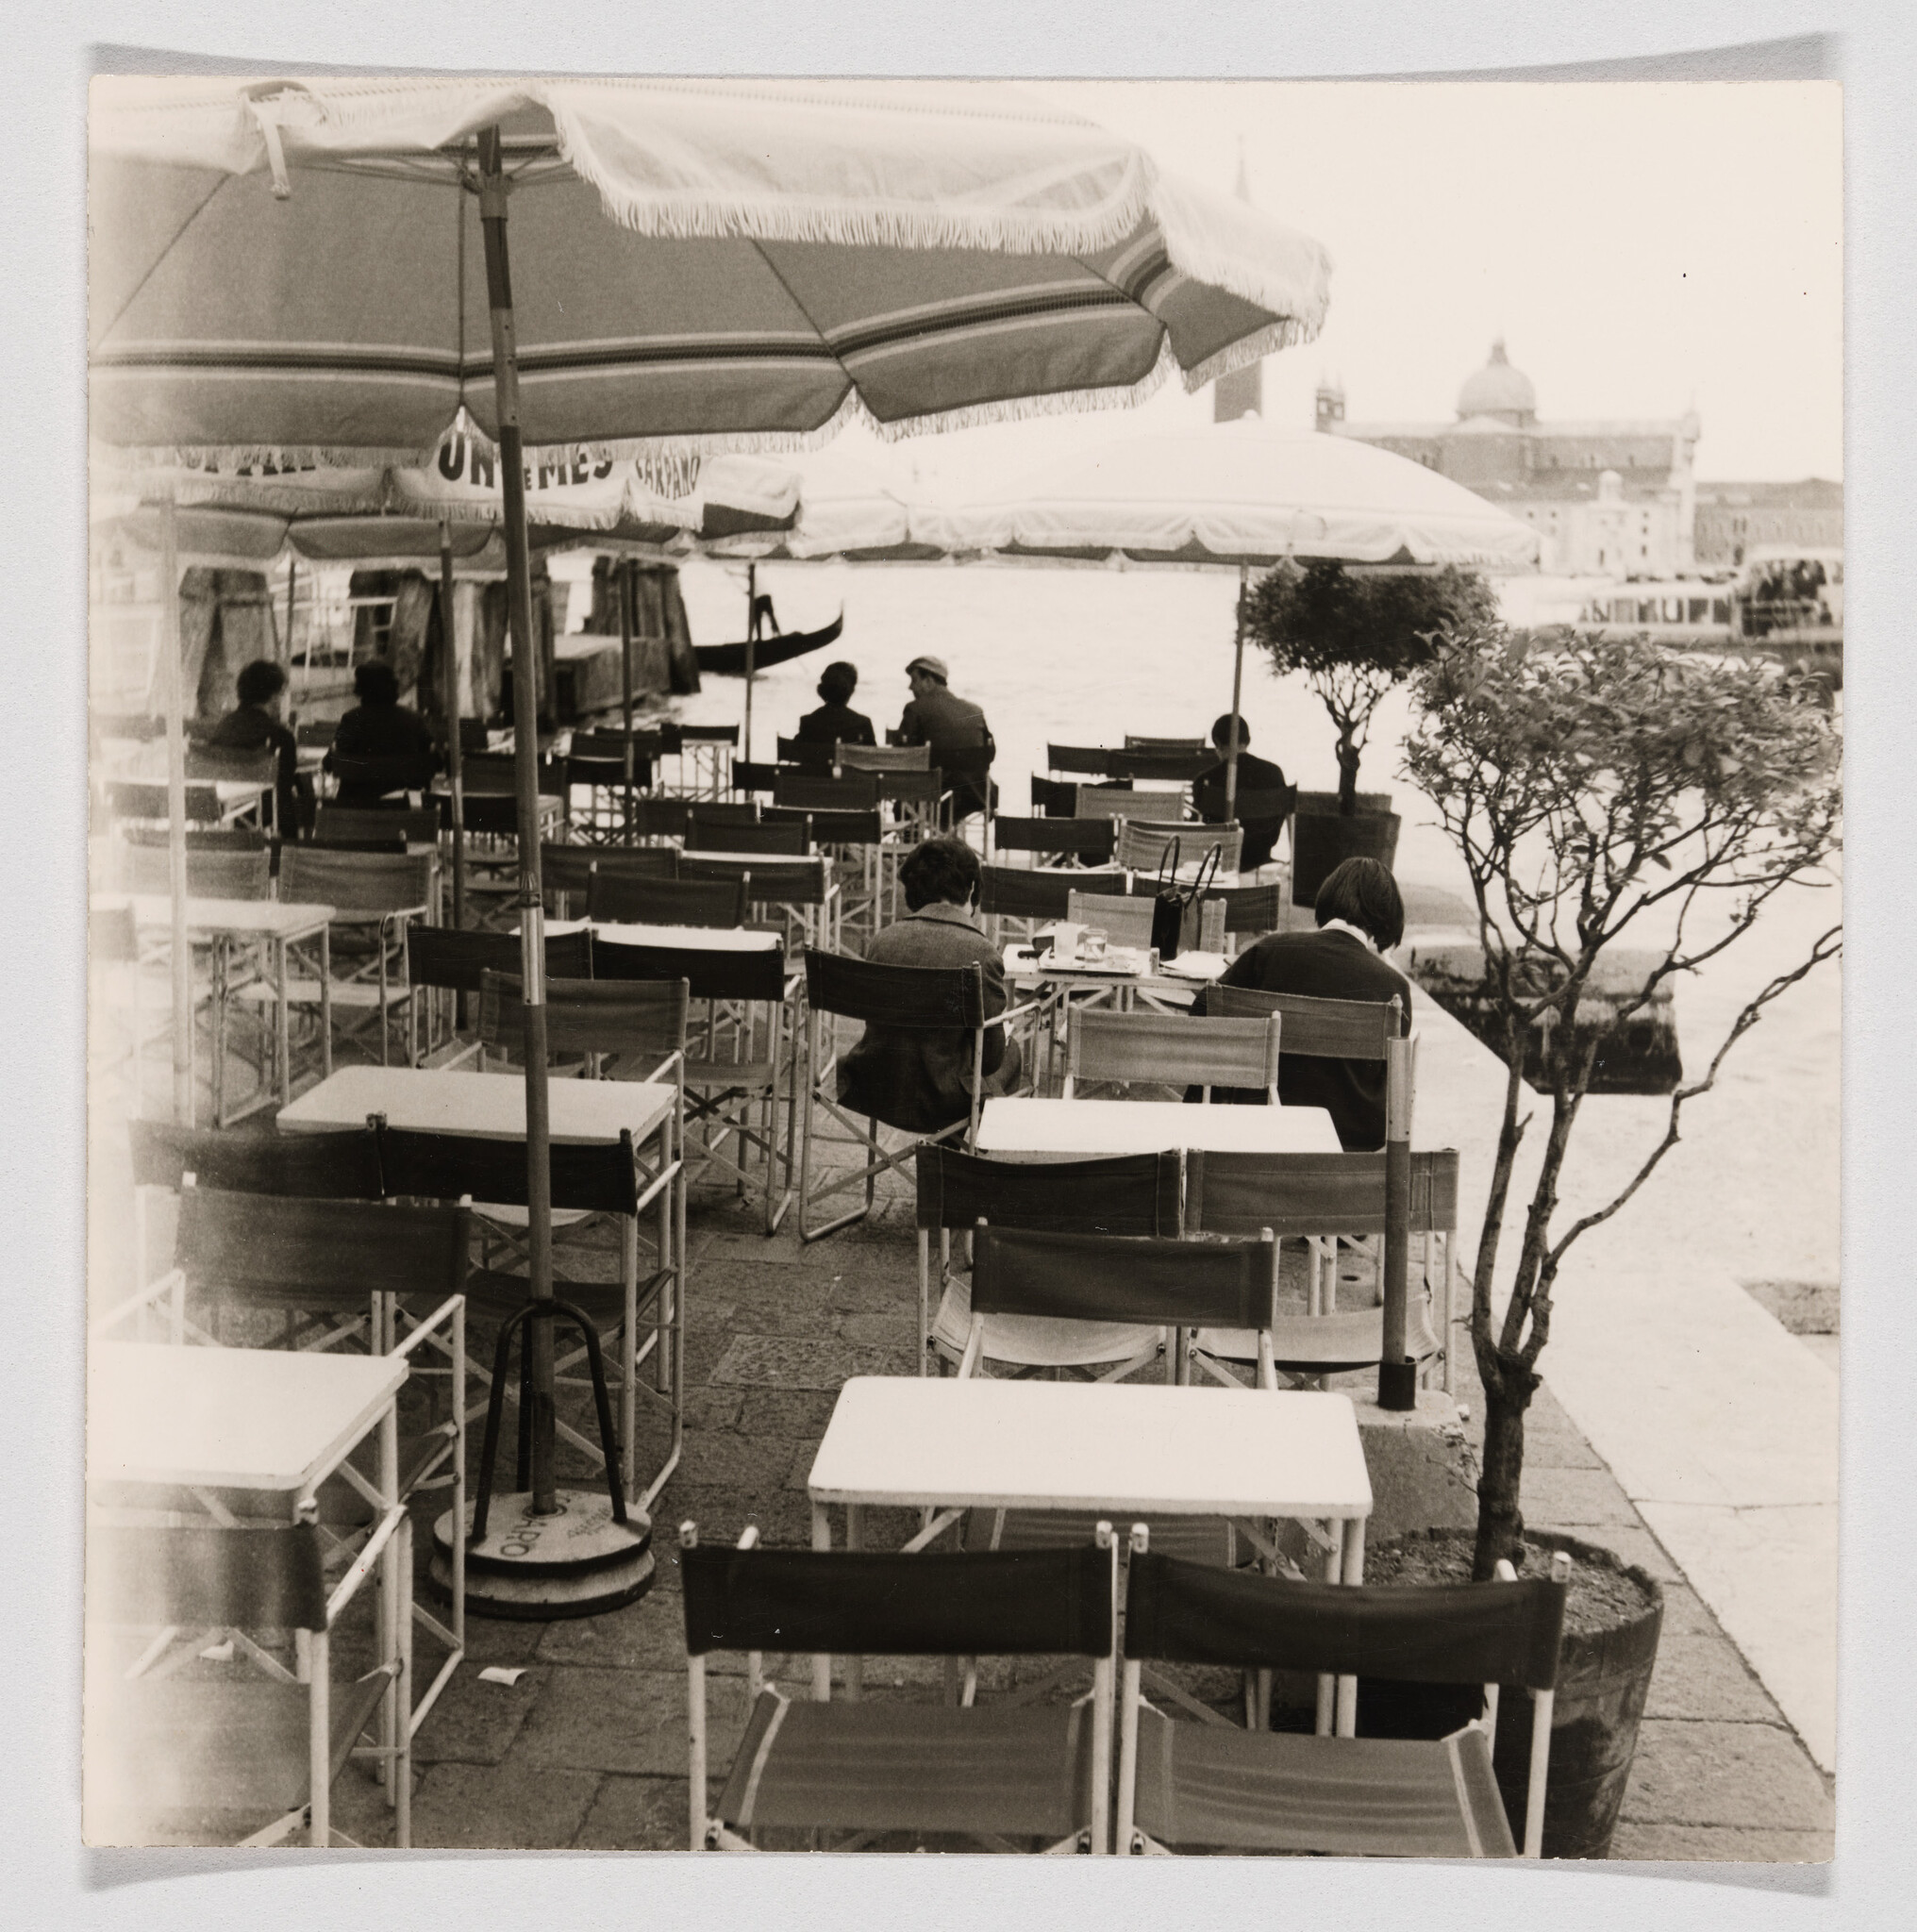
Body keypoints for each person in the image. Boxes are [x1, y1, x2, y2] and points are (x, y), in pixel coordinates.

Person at [1195, 856, 1413, 1149]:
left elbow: (1202, 1011)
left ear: (1327, 897)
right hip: (1350, 1141)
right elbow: (1391, 1079)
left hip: (1260, 1126)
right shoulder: (1392, 987)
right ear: (1386, 917)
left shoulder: (1268, 952)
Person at [837, 836, 1023, 1132]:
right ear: (972, 888)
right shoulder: (982, 953)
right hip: (948, 1100)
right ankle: (963, 1157)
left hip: (877, 1088)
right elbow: (989, 1059)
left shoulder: (881, 942)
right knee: (1010, 1052)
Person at [207, 658, 311, 840]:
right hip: (267, 823)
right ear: (273, 695)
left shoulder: (223, 728)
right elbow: (283, 790)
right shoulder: (280, 737)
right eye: (281, 693)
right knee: (301, 794)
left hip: (227, 818)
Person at [895, 654, 994, 821]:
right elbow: (989, 754)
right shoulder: (975, 711)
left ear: (929, 681)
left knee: (902, 804)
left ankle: (913, 846)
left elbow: (904, 756)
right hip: (975, 797)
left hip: (933, 798)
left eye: (914, 680)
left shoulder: (916, 709)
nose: (910, 687)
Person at [326, 660, 438, 806]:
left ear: (360, 690)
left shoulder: (351, 720)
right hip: (404, 810)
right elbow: (433, 762)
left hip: (355, 812)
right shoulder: (414, 720)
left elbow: (330, 762)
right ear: (393, 687)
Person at [1192, 713, 1293, 870]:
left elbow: (1197, 828)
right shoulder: (1274, 773)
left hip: (1218, 861)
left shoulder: (1204, 780)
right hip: (1261, 857)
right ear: (1248, 740)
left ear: (1217, 743)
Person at [795, 660, 875, 749]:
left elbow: (795, 752)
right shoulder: (863, 724)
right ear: (851, 690)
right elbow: (874, 759)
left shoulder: (807, 722)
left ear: (823, 690)